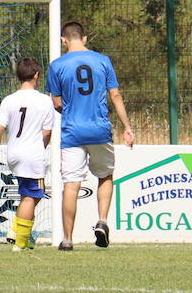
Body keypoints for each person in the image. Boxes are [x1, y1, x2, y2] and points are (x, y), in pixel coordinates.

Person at [46, 21, 134, 251]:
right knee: (105, 176)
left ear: (63, 41)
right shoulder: (103, 60)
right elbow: (115, 95)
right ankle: (102, 221)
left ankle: (67, 239)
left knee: (71, 185)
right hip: (99, 129)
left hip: (72, 132)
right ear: (84, 38)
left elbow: (56, 102)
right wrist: (126, 127)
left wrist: (73, 107)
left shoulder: (56, 65)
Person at [0, 57, 55, 252]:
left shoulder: (9, 99)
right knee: (32, 197)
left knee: (27, 195)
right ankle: (19, 241)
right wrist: (40, 147)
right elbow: (47, 132)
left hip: (14, 153)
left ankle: (16, 232)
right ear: (36, 75)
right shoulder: (45, 100)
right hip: (32, 154)